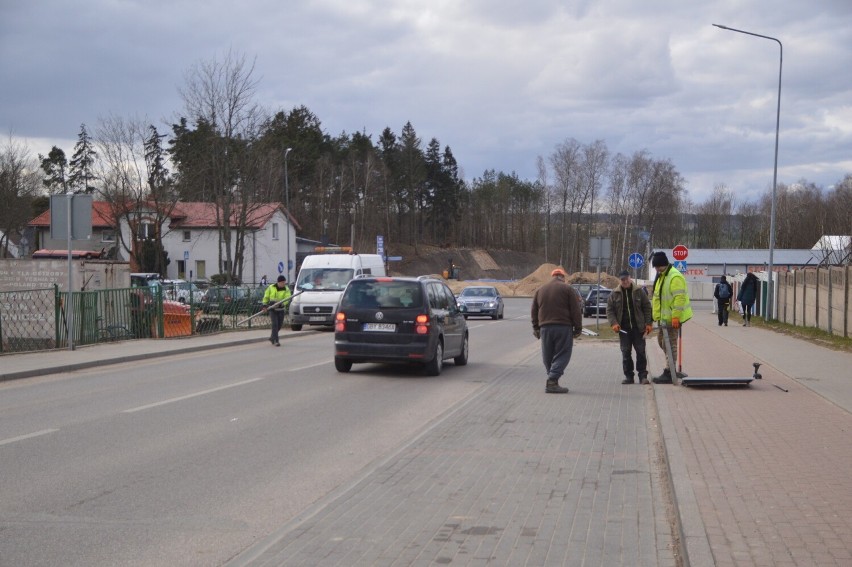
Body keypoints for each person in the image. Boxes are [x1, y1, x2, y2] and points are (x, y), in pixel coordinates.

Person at [531, 267, 583, 394]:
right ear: (562, 277)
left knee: (547, 354)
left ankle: (552, 379)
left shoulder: (540, 290)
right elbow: (575, 310)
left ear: (552, 276)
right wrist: (578, 327)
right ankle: (552, 380)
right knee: (563, 353)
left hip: (545, 328)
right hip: (563, 327)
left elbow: (534, 311)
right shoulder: (568, 289)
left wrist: (536, 327)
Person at [650, 251, 693, 384]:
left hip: (672, 319)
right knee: (662, 342)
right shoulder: (663, 276)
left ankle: (670, 371)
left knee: (671, 344)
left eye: (657, 267)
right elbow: (658, 298)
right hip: (663, 319)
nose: (656, 269)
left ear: (662, 264)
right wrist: (655, 317)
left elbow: (679, 298)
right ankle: (671, 368)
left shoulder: (675, 277)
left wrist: (675, 317)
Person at [606, 270, 654, 385]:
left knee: (641, 352)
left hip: (639, 328)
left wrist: (648, 323)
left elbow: (647, 307)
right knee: (626, 353)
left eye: (626, 279)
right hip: (623, 330)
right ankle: (629, 376)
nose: (625, 281)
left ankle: (643, 376)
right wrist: (614, 323)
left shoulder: (639, 292)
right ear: (620, 280)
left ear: (630, 278)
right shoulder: (614, 294)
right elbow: (609, 310)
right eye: (622, 280)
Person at [262, 275, 291, 346]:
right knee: (275, 324)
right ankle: (276, 340)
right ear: (279, 282)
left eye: (284, 282)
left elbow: (288, 298)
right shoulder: (271, 288)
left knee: (279, 325)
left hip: (281, 309)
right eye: (283, 282)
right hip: (272, 309)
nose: (284, 283)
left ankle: (272, 337)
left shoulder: (286, 289)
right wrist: (264, 305)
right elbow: (266, 297)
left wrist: (282, 304)